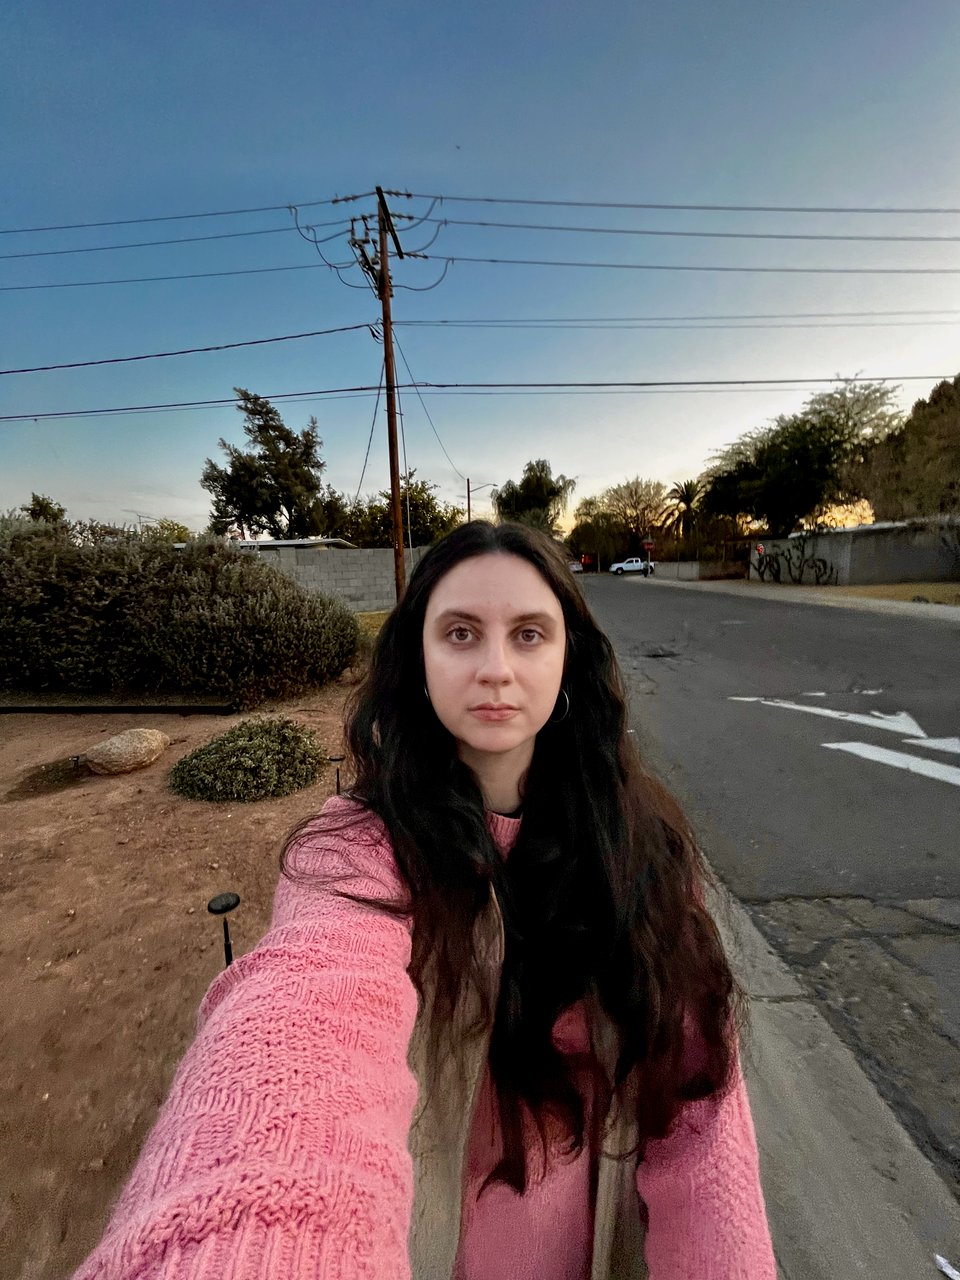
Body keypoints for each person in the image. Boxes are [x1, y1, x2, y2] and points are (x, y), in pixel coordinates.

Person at [74, 520, 776, 1280]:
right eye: (462, 633)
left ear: (569, 655)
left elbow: (703, 1118)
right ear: (420, 658)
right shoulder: (353, 851)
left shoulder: (646, 846)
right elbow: (305, 1017)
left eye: (530, 634)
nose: (497, 669)